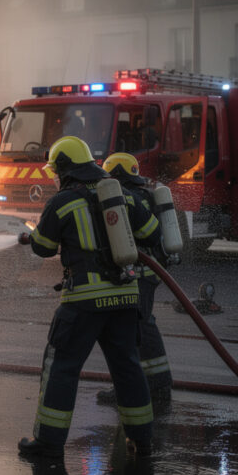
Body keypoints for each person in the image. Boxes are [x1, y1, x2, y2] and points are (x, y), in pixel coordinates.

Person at [18, 136, 161, 460]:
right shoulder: (122, 194)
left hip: (83, 301)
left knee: (62, 367)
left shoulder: (63, 201)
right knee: (128, 367)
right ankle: (143, 440)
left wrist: (36, 235)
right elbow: (153, 234)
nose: (55, 176)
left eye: (56, 170)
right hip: (126, 297)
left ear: (65, 168)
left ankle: (48, 444)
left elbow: (42, 247)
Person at [97, 153, 173, 406]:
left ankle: (133, 390)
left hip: (135, 275)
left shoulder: (122, 199)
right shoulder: (146, 193)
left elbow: (148, 234)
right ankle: (158, 385)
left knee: (129, 333)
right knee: (142, 325)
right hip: (148, 274)